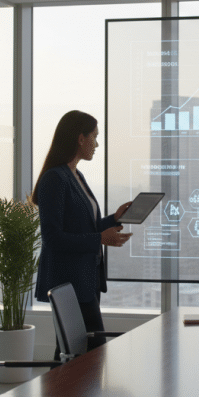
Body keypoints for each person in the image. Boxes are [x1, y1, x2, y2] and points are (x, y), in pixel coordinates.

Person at [31, 110, 132, 353]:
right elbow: (53, 239)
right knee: (85, 352)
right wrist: (100, 238)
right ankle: (59, 391)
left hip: (86, 281)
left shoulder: (76, 175)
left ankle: (58, 391)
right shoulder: (55, 179)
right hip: (69, 283)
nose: (97, 144)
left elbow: (82, 227)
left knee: (76, 353)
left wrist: (112, 219)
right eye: (94, 137)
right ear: (80, 139)